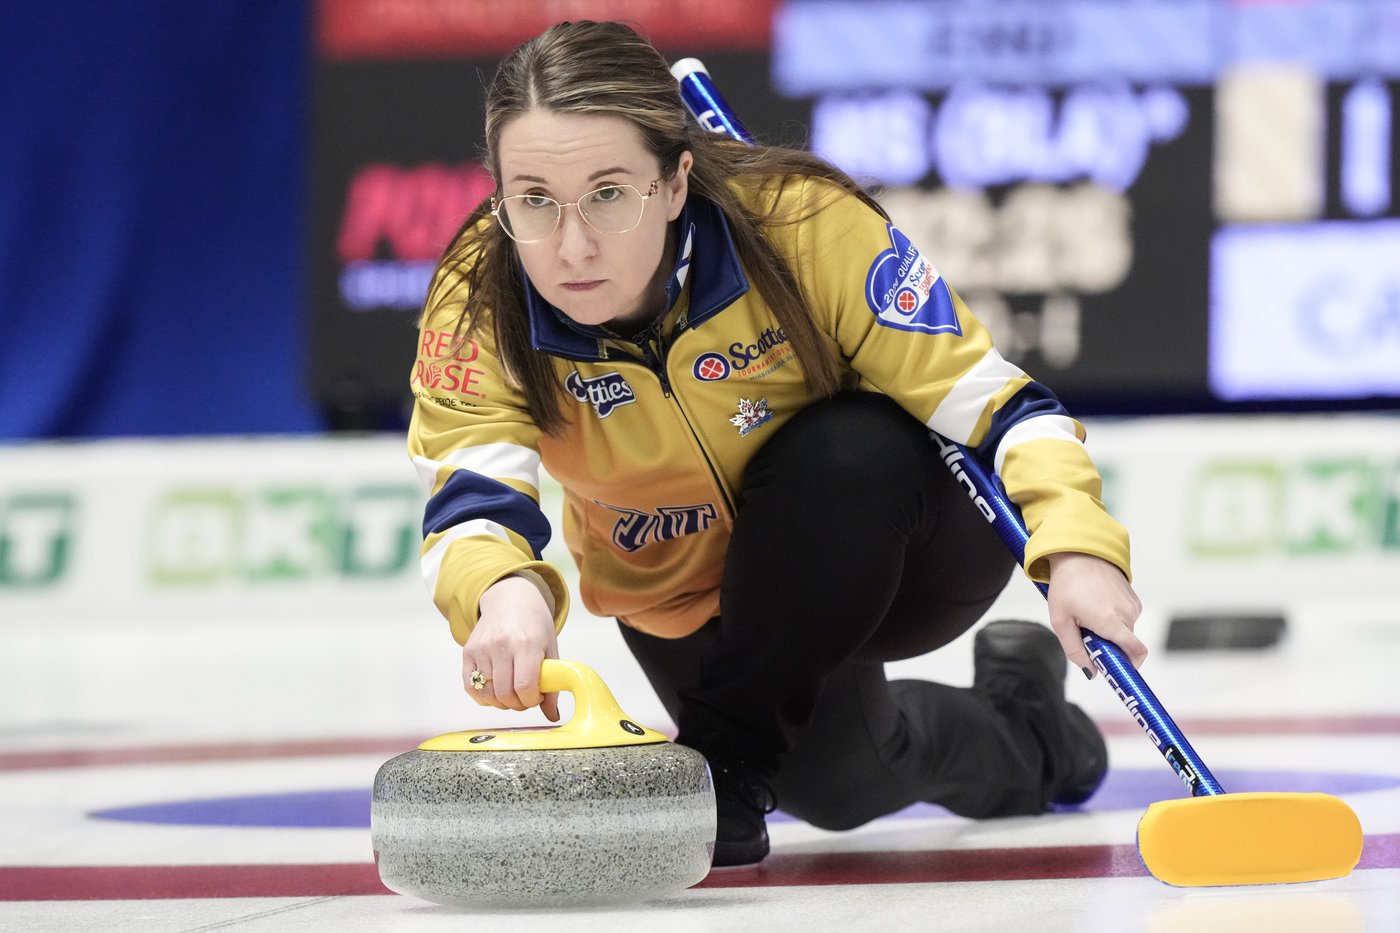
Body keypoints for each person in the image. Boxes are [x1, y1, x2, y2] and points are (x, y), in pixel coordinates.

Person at [407, 20, 1146, 868]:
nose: (571, 246)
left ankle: (726, 760)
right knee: (840, 785)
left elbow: (1000, 404)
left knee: (841, 452)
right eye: (533, 200)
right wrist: (502, 588)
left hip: (897, 536)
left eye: (609, 193)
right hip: (692, 583)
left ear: (677, 182)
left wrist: (1082, 549)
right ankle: (1030, 726)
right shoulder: (480, 293)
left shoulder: (801, 224)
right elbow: (469, 477)